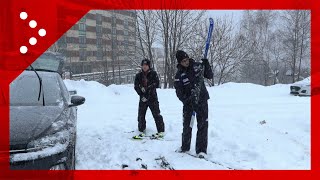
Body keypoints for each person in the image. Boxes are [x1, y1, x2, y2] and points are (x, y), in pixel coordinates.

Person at [174, 50, 213, 158]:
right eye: (183, 61)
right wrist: (187, 100)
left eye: (186, 59)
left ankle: (201, 150)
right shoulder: (179, 75)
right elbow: (179, 92)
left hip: (202, 100)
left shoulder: (198, 66)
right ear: (179, 62)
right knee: (187, 125)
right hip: (189, 104)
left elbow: (209, 75)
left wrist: (206, 65)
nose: (186, 62)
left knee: (203, 125)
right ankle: (185, 146)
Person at [134, 59, 165, 137]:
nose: (144, 67)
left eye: (146, 65)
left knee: (157, 115)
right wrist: (141, 94)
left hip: (152, 98)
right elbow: (136, 86)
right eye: (143, 65)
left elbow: (157, 84)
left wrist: (149, 89)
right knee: (141, 115)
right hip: (143, 99)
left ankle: (161, 131)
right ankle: (141, 130)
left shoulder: (153, 74)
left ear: (149, 66)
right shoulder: (138, 75)